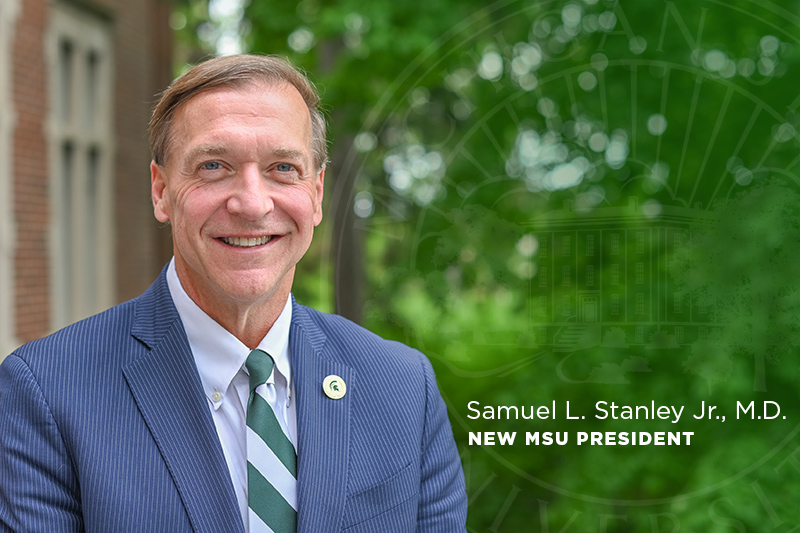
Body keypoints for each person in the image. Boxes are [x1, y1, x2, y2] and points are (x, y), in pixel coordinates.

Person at [0, 54, 467, 532]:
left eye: (283, 167)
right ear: (161, 190)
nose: (251, 203)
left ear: (317, 193)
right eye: (214, 166)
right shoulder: (46, 394)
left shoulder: (404, 388)